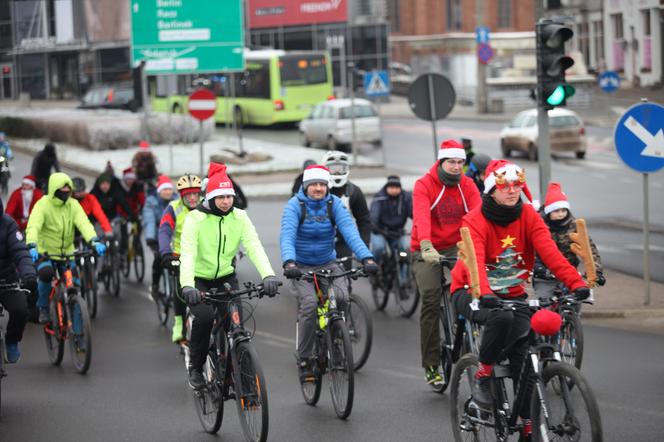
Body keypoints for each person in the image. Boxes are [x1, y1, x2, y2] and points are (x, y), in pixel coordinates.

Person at [450, 160, 589, 441]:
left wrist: (577, 282)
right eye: (505, 185)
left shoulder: (529, 215)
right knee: (501, 317)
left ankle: (527, 424)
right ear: (492, 189)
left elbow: (550, 253)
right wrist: (485, 292)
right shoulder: (475, 220)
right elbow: (475, 259)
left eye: (516, 184)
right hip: (472, 290)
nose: (512, 190)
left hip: (513, 295)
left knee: (526, 358)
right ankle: (483, 376)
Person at [179, 163, 279, 390]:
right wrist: (187, 286)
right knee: (204, 319)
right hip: (196, 280)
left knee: (236, 326)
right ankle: (195, 368)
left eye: (229, 196)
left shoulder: (240, 217)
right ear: (211, 197)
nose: (226, 201)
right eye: (221, 196)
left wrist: (268, 276)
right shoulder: (195, 219)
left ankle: (244, 382)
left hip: (225, 276)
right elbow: (187, 254)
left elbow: (254, 246)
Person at [280, 165, 378, 381]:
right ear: (306, 186)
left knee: (342, 297)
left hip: (328, 262)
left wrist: (367, 257)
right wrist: (289, 262)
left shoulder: (334, 205)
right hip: (301, 267)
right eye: (314, 184)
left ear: (327, 186)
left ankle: (335, 337)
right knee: (309, 305)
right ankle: (305, 358)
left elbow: (350, 232)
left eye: (322, 185)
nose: (318, 188)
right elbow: (286, 236)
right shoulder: (295, 205)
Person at [411, 139, 481, 390]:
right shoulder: (424, 185)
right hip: (425, 246)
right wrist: (427, 244)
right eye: (451, 162)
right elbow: (421, 217)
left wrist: (479, 245)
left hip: (456, 245)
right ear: (441, 162)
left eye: (460, 162)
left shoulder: (468, 185)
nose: (456, 167)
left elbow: (477, 216)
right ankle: (431, 363)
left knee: (474, 286)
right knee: (430, 297)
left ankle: (466, 327)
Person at [25, 173, 106, 324]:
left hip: (67, 254)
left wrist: (94, 240)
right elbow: (33, 226)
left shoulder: (73, 205)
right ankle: (43, 307)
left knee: (75, 286)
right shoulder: (42, 204)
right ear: (54, 188)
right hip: (46, 253)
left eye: (68, 188)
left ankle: (78, 332)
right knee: (46, 274)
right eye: (63, 188)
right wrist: (32, 245)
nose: (66, 191)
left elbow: (84, 224)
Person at [533, 182, 605, 300]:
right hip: (545, 276)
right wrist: (537, 266)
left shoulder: (575, 226)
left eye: (563, 210)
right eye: (556, 211)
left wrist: (596, 272)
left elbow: (590, 250)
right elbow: (531, 249)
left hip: (570, 274)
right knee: (544, 304)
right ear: (548, 211)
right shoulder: (538, 225)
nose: (561, 214)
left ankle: (572, 318)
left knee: (574, 303)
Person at [158, 173, 202, 343]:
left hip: (202, 257)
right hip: (179, 255)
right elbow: (164, 231)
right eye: (187, 195)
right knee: (180, 286)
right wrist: (165, 253)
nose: (192, 198)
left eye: (195, 194)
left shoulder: (206, 207)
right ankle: (179, 322)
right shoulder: (173, 208)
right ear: (181, 195)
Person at [0, 197, 37, 363]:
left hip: (6, 278)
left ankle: (12, 341)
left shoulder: (8, 224)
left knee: (21, 310)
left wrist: (28, 274)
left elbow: (20, 252)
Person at [321, 150, 371, 266]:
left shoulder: (354, 192)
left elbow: (364, 220)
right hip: (319, 244)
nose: (337, 172)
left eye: (341, 168)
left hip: (343, 242)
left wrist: (363, 250)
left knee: (344, 279)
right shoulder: (318, 190)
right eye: (333, 169)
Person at [369, 175, 412, 278]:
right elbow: (373, 216)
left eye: (397, 187)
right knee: (379, 248)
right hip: (380, 231)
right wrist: (374, 226)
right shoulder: (379, 197)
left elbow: (414, 213)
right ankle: (374, 267)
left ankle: (404, 280)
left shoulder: (406, 198)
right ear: (387, 187)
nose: (394, 190)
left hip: (398, 232)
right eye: (391, 187)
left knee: (404, 251)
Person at [143, 175, 178, 297]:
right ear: (159, 191)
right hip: (158, 236)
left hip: (175, 236)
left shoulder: (177, 200)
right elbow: (150, 220)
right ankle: (155, 285)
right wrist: (150, 238)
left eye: (169, 189)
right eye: (165, 189)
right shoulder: (151, 202)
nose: (168, 192)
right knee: (159, 258)